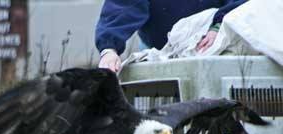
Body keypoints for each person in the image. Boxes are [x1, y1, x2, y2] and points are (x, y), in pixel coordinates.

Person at [96, 0, 247, 72]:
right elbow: (123, 6)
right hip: (160, 51)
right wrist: (109, 49)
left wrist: (219, 26)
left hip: (218, 46)